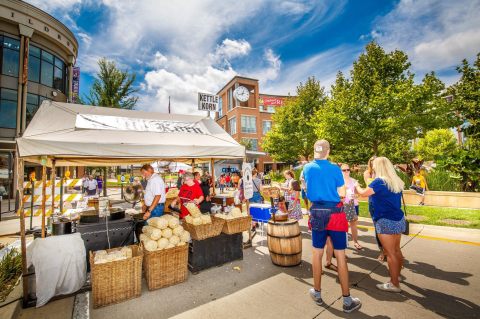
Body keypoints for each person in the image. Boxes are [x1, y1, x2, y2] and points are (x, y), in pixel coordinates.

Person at [303, 140, 361, 313]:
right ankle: (347, 300)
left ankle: (318, 293)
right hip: (335, 212)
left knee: (316, 253)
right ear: (328, 151)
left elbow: (305, 190)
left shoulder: (307, 168)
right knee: (340, 255)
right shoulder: (335, 169)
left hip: (317, 212)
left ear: (315, 151)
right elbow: (342, 193)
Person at [355, 157, 406, 292]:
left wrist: (356, 186)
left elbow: (363, 194)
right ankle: (397, 275)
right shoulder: (396, 181)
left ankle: (394, 284)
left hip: (385, 220)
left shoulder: (379, 182)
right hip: (398, 218)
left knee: (390, 254)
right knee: (396, 250)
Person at [364, 156, 385, 261]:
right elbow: (368, 189)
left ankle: (390, 251)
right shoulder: (367, 174)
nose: (373, 164)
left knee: (387, 228)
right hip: (373, 202)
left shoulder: (384, 174)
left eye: (375, 162)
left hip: (384, 203)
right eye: (372, 162)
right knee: (378, 228)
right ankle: (382, 251)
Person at [342, 164, 362, 250]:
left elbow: (358, 195)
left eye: (348, 169)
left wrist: (353, 197)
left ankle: (355, 242)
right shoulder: (339, 182)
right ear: (340, 171)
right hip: (342, 206)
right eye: (344, 170)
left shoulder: (354, 181)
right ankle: (343, 244)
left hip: (354, 205)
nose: (346, 171)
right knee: (343, 225)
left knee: (353, 224)